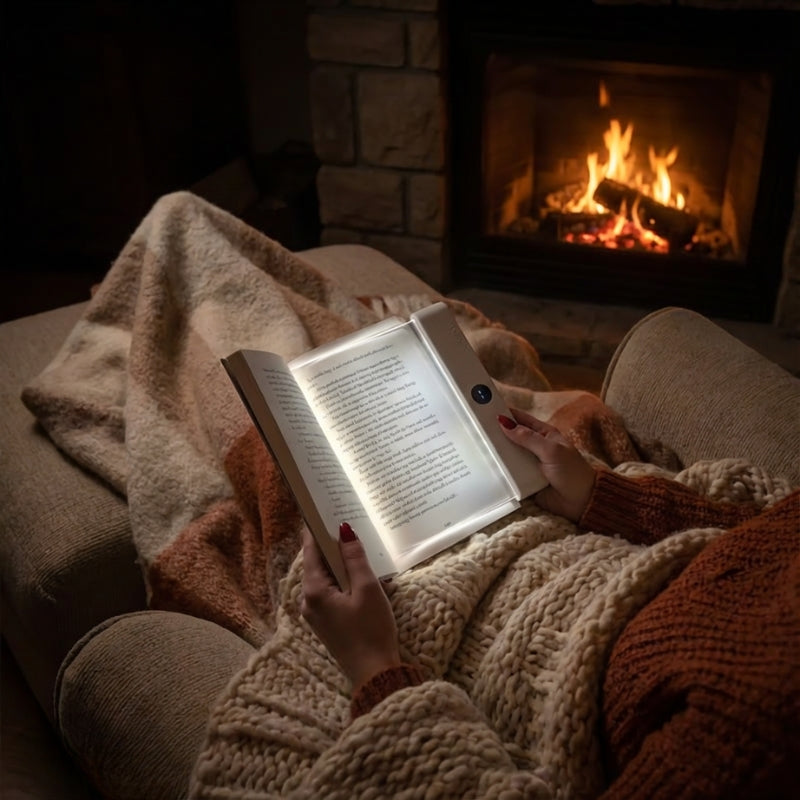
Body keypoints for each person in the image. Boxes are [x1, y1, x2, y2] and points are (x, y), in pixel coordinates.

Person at [301, 408, 799, 798]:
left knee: (287, 464)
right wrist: (598, 497)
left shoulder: (753, 736)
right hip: (578, 540)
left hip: (484, 645)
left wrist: (373, 669)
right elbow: (756, 539)